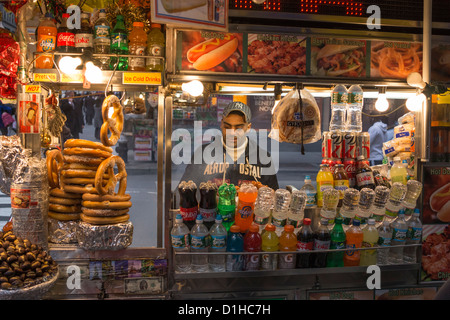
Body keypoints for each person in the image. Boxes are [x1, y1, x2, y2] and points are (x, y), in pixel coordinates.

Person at [179, 101, 279, 190]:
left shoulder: (262, 158)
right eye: (227, 127)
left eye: (238, 128)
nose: (232, 132)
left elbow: (272, 197)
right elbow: (184, 189)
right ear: (221, 124)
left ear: (248, 127)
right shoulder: (203, 154)